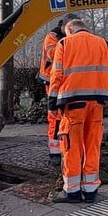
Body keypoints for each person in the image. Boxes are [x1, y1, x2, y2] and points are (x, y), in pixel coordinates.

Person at [47, 19, 108, 203]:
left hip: (73, 103)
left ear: (69, 29)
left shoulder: (65, 43)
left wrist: (52, 103)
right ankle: (90, 191)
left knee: (71, 147)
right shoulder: (102, 43)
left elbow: (56, 74)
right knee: (92, 145)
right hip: (98, 103)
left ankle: (72, 192)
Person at [38, 13, 80, 166]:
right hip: (51, 80)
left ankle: (64, 148)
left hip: (63, 81)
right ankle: (55, 153)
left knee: (64, 116)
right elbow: (53, 53)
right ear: (64, 26)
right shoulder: (53, 37)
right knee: (54, 116)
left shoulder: (64, 38)